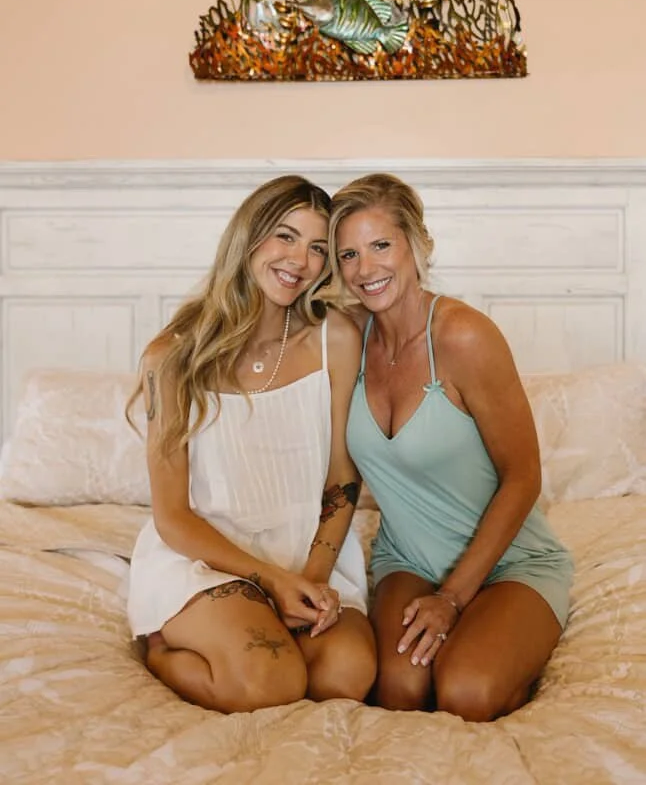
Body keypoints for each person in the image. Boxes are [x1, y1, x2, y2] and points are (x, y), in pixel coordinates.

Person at [328, 173, 573, 721]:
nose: (366, 270)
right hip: (408, 559)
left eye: (381, 245)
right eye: (348, 254)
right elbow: (258, 324)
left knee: (466, 693)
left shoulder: (464, 336)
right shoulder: (346, 338)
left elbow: (523, 477)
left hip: (511, 562)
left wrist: (454, 599)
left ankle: (503, 647)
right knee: (399, 690)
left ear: (417, 245)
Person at [126, 175, 376, 713]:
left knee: (346, 677)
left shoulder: (337, 338)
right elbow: (172, 515)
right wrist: (271, 583)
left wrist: (309, 580)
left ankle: (245, 634)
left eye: (316, 248)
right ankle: (162, 648)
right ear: (249, 238)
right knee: (272, 683)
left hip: (306, 552)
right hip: (207, 559)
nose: (299, 261)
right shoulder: (169, 358)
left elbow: (341, 476)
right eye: (284, 237)